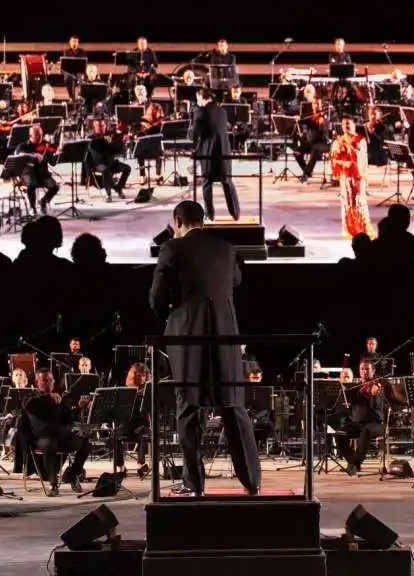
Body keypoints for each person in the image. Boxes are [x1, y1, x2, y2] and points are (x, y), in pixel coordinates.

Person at [149, 200, 260, 496]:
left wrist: (172, 316)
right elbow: (235, 280)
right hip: (225, 335)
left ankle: (194, 485)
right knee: (233, 406)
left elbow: (156, 299)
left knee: (188, 408)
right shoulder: (225, 248)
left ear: (177, 221)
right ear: (204, 220)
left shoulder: (172, 248)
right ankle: (252, 483)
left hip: (188, 337)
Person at [22, 368, 91, 496]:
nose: (48, 383)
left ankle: (73, 473)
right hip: (42, 438)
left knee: (85, 443)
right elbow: (30, 405)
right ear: (37, 383)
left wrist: (80, 407)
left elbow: (68, 417)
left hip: (62, 437)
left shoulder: (58, 398)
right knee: (50, 443)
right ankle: (53, 485)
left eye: (50, 380)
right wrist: (48, 396)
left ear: (53, 382)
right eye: (44, 380)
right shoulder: (31, 397)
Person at [193, 88, 240, 221]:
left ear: (203, 98)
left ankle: (210, 214)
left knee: (207, 184)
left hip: (208, 152)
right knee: (227, 182)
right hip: (224, 151)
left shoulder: (200, 112)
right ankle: (235, 213)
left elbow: (195, 134)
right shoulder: (222, 111)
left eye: (198, 99)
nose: (198, 102)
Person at [337, 360, 384, 475]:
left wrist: (376, 393)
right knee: (339, 433)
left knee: (366, 431)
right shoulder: (355, 387)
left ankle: (356, 464)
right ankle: (351, 461)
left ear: (373, 371)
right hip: (356, 423)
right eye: (362, 369)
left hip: (375, 423)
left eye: (367, 369)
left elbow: (378, 403)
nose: (364, 372)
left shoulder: (377, 385)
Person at [331, 117, 374, 239]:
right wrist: (341, 160)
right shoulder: (338, 140)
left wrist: (351, 149)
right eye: (344, 124)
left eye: (348, 124)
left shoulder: (360, 140)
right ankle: (349, 230)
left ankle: (362, 230)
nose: (346, 126)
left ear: (354, 125)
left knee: (359, 202)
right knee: (347, 203)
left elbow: (362, 158)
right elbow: (334, 158)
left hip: (357, 175)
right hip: (345, 176)